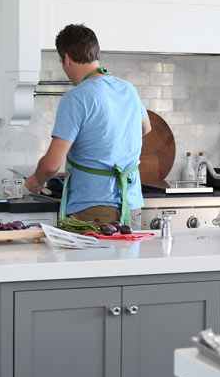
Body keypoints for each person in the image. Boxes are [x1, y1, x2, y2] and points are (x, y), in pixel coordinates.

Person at [25, 24, 151, 228]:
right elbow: (146, 128)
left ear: (66, 58)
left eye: (61, 62)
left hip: (93, 209)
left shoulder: (76, 97)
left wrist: (35, 181)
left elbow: (51, 165)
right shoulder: (127, 89)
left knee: (87, 261)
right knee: (125, 259)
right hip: (131, 206)